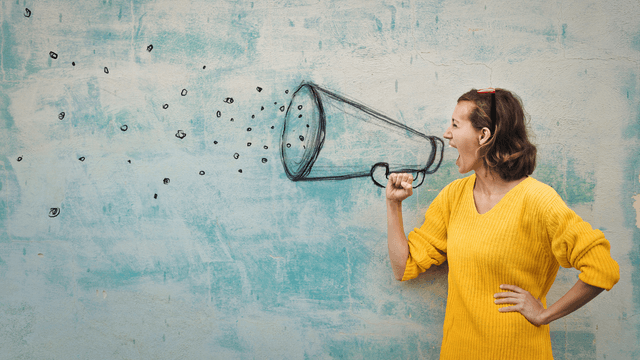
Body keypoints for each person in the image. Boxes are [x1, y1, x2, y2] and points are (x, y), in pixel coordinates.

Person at [385, 88, 620, 359]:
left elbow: (602, 269)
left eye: (455, 125)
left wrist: (544, 314)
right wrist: (394, 205)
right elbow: (403, 266)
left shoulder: (538, 200)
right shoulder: (453, 196)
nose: (446, 134)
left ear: (483, 135)